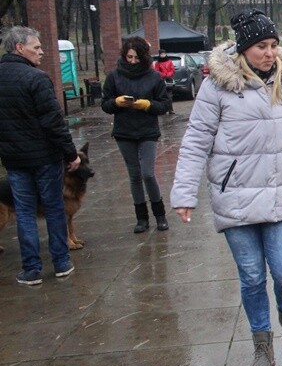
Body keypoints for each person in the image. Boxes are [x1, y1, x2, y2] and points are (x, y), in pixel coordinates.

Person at [170, 9, 282, 366]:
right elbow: (196, 139)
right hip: (235, 198)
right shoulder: (217, 87)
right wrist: (184, 192)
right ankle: (261, 343)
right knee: (251, 277)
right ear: (244, 49)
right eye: (261, 46)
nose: (270, 52)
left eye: (274, 44)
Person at [0, 26, 82, 285]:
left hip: (14, 160)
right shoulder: (37, 79)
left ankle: (31, 269)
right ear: (19, 48)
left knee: (24, 213)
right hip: (45, 158)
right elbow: (54, 122)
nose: (42, 52)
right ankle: (61, 262)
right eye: (36, 47)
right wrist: (71, 154)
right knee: (54, 208)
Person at [101, 37, 172, 233]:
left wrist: (148, 105)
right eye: (129, 57)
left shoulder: (154, 77)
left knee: (148, 173)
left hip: (147, 131)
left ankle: (160, 214)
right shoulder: (114, 76)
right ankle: (141, 218)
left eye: (136, 58)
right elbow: (105, 104)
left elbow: (165, 105)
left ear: (144, 57)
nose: (132, 61)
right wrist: (116, 102)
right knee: (134, 175)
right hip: (124, 132)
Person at [153, 48, 175, 114]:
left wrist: (168, 75)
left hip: (169, 79)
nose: (163, 55)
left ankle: (170, 109)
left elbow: (172, 69)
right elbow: (157, 71)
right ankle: (165, 109)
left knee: (169, 95)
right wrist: (163, 75)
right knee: (163, 95)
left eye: (164, 54)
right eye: (161, 54)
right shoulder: (158, 63)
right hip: (161, 80)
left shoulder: (169, 61)